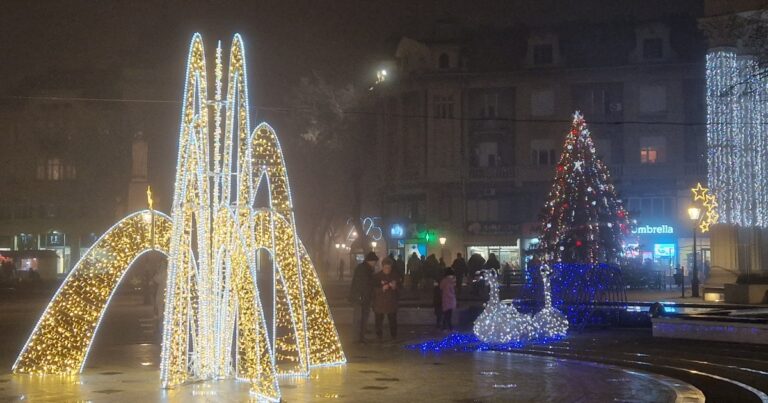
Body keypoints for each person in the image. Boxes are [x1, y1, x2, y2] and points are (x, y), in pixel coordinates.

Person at [350, 252, 378, 343]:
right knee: (360, 318)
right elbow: (364, 284)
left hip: (363, 297)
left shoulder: (365, 268)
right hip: (361, 298)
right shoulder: (364, 269)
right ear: (371, 261)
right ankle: (357, 338)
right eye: (375, 262)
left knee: (362, 318)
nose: (375, 264)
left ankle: (360, 337)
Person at [372, 257, 401, 341]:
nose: (387, 269)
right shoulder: (377, 277)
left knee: (392, 320)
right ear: (383, 267)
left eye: (389, 267)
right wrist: (382, 289)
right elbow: (373, 290)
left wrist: (395, 287)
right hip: (379, 303)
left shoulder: (395, 276)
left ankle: (393, 336)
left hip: (391, 303)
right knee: (379, 320)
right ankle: (379, 336)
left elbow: (400, 289)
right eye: (386, 267)